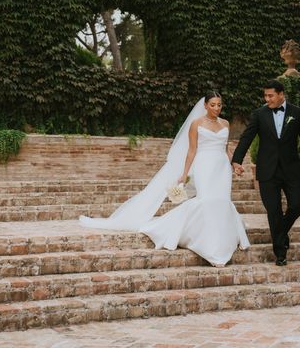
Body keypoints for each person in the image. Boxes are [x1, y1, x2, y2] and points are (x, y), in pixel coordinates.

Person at [79, 91, 250, 267]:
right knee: (205, 201)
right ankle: (208, 246)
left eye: (219, 105)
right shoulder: (196, 124)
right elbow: (191, 151)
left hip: (221, 168)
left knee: (221, 201)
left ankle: (220, 243)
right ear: (205, 106)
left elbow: (226, 148)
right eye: (212, 105)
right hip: (203, 166)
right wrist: (185, 174)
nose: (216, 108)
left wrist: (235, 164)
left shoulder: (226, 124)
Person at [231, 79, 300, 266]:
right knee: (274, 211)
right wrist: (236, 160)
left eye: (270, 95)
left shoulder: (297, 113)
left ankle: (280, 234)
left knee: (297, 204)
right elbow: (247, 137)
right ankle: (280, 253)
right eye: (265, 95)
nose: (266, 99)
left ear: (281, 95)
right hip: (267, 170)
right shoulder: (259, 114)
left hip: (291, 169)